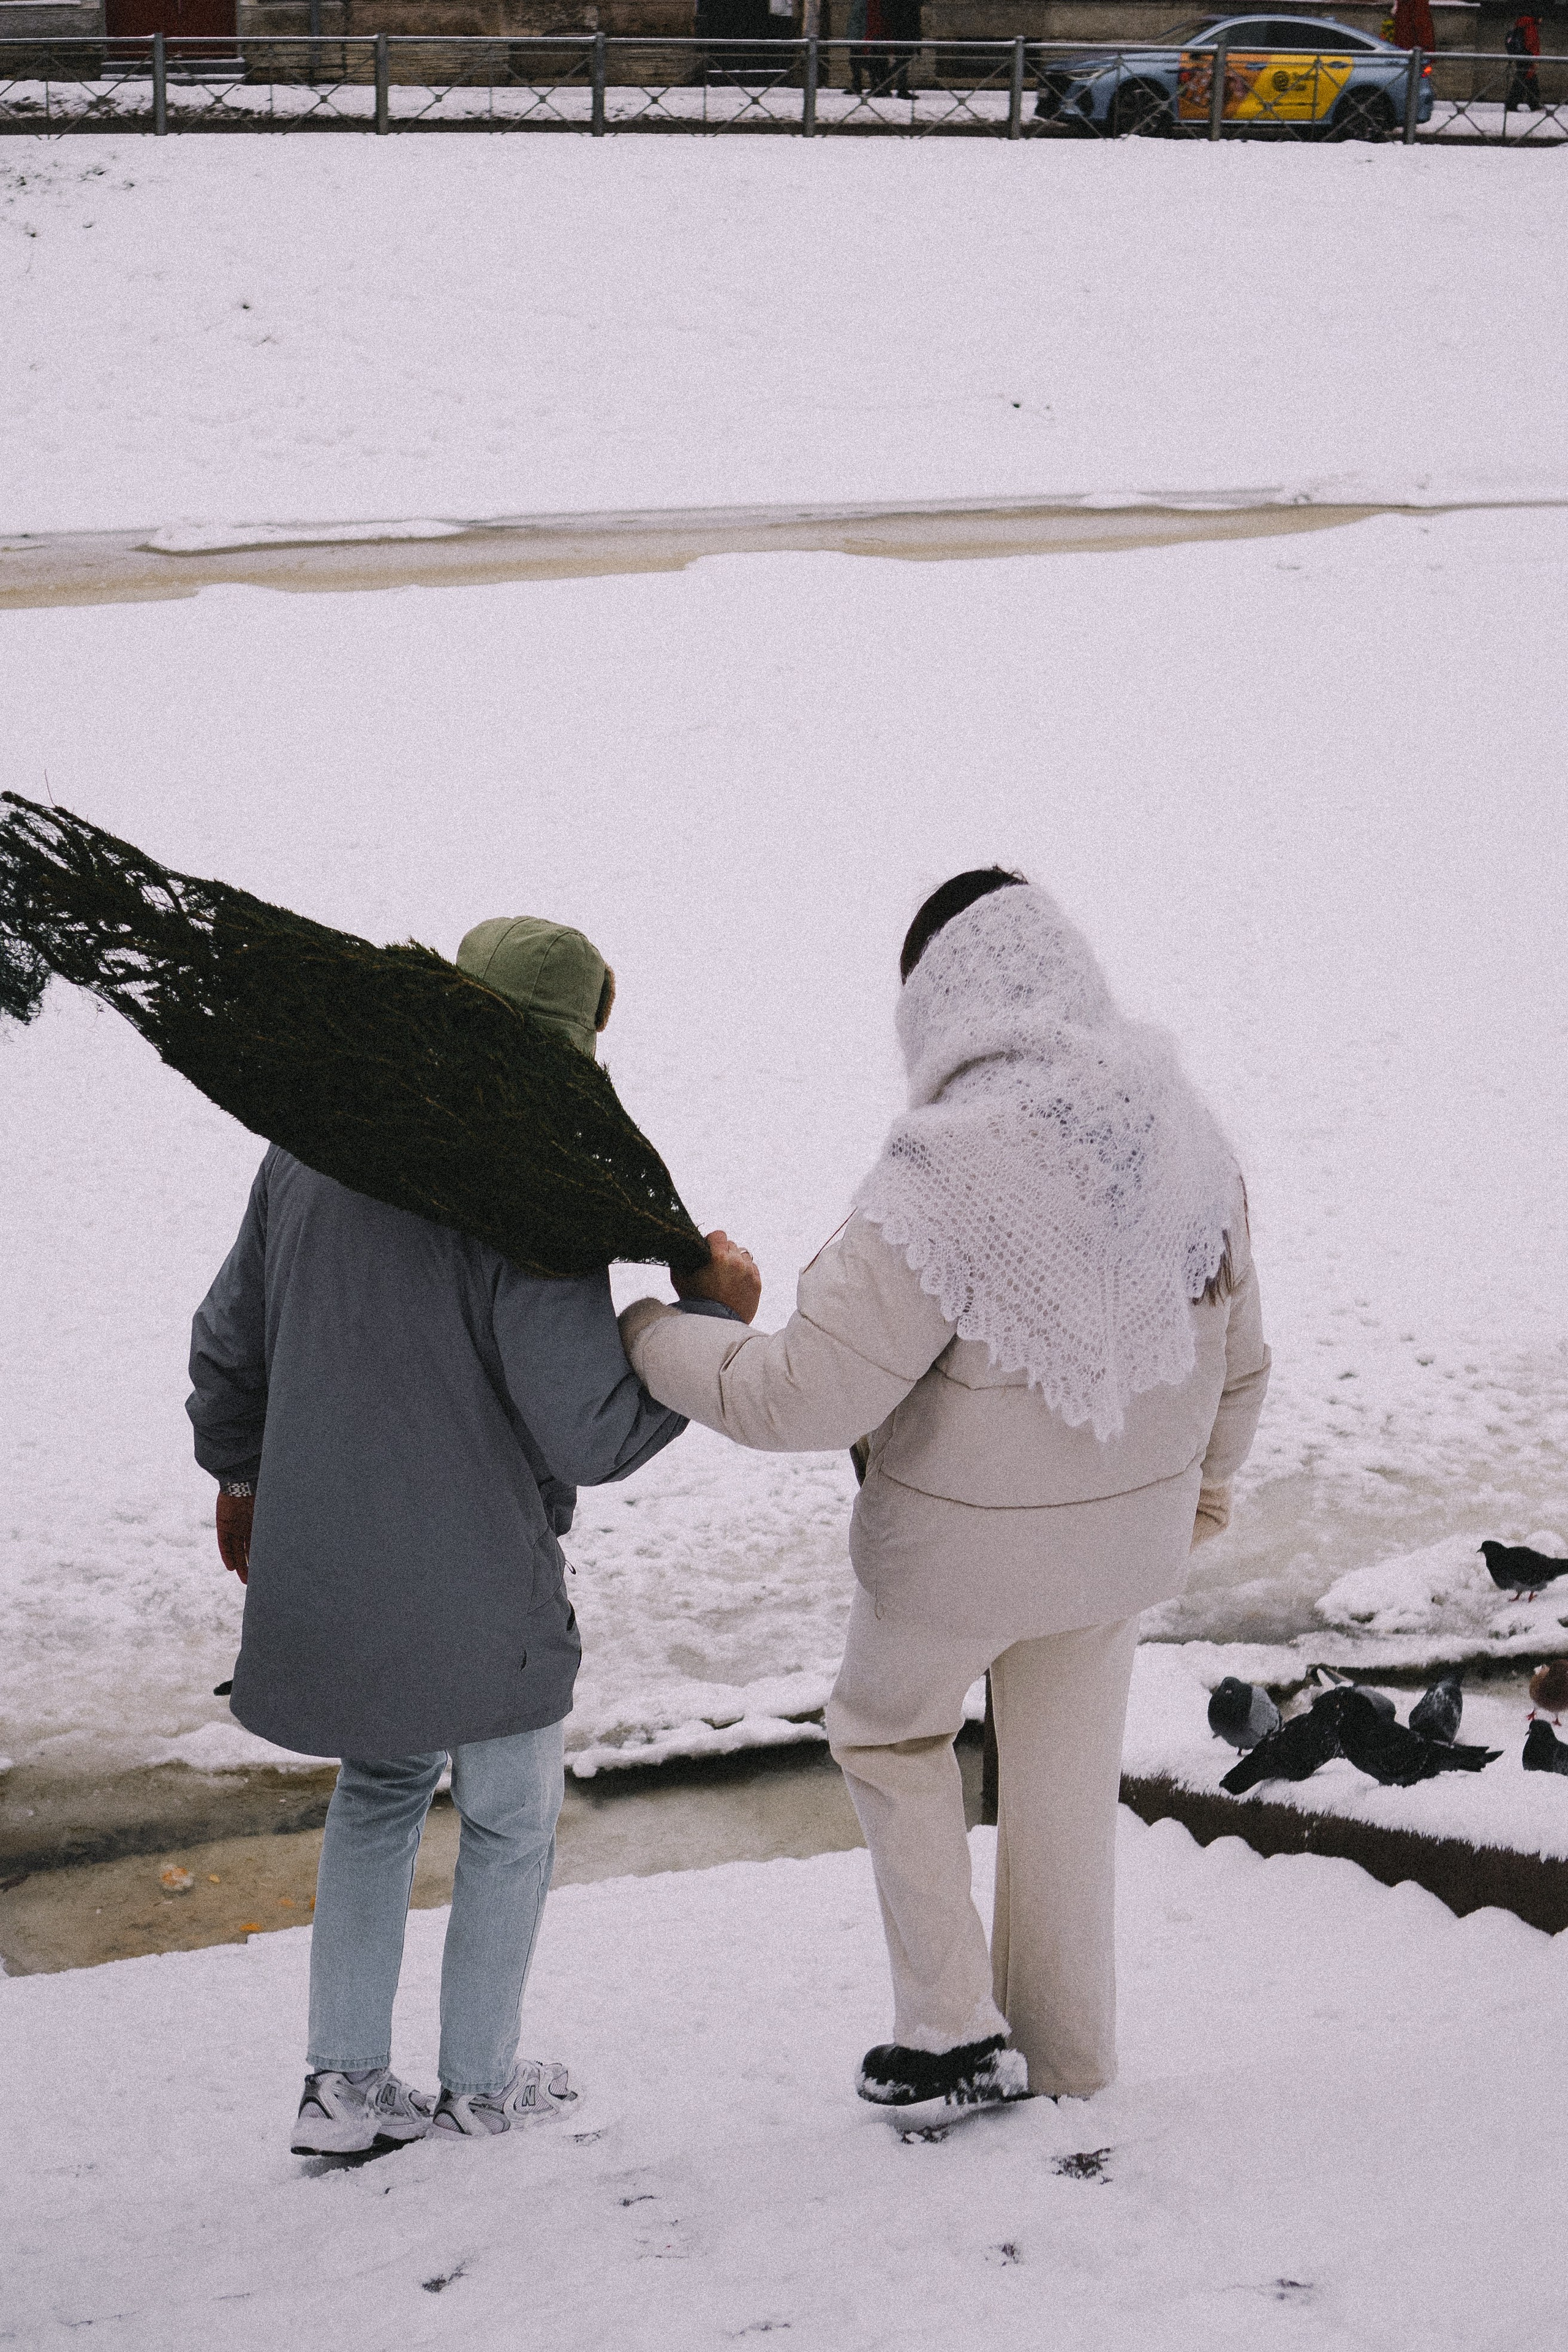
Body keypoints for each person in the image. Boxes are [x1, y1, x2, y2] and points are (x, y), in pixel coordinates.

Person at [621, 869, 1269, 2113]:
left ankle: (951, 2031)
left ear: (939, 1003)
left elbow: (798, 1400)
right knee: (1062, 1797)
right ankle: (1070, 2067)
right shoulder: (1187, 1143)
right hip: (1119, 1557)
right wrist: (1195, 1505)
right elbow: (1239, 1366)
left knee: (890, 1730)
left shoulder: (940, 1173)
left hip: (952, 1567)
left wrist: (650, 1331)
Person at [188, 914, 760, 2154]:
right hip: (481, 1594)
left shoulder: (311, 1145)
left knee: (379, 1795)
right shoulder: (527, 1193)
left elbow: (229, 1345)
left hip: (331, 1571)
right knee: (508, 1822)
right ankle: (480, 2088)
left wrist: (241, 1479)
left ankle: (339, 2090)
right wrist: (707, 1321)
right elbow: (587, 1436)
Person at [1505, 12, 1542, 111]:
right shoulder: (1531, 26)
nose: (1542, 21)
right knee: (1525, 81)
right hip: (1528, 58)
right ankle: (1531, 105)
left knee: (1525, 80)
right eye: (1541, 18)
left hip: (1522, 57)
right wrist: (1534, 59)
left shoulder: (1521, 24)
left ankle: (1531, 105)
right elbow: (1531, 44)